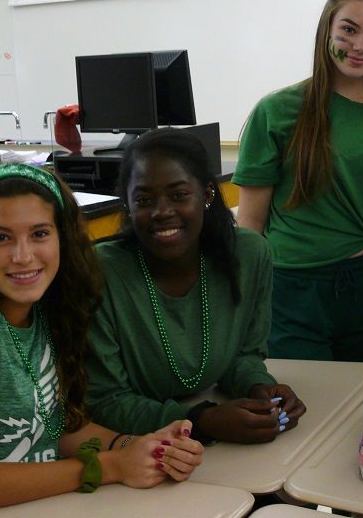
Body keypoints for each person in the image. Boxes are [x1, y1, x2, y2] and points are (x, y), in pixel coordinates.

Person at [0, 163, 202, 516]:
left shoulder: (43, 308)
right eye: (1, 237)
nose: (23, 256)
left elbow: (52, 428)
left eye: (39, 234)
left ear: (61, 237)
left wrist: (140, 446)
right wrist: (109, 467)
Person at [233, 0, 363, 362]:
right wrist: (246, 301)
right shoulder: (277, 111)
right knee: (303, 403)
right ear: (326, 31)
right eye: (348, 30)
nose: (361, 46)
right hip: (292, 288)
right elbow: (249, 223)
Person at [85, 128, 306, 444]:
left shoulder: (247, 255)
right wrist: (200, 421)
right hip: (135, 449)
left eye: (178, 195)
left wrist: (260, 388)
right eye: (144, 200)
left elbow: (243, 356)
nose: (162, 212)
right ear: (127, 205)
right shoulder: (100, 271)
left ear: (206, 195)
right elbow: (104, 400)